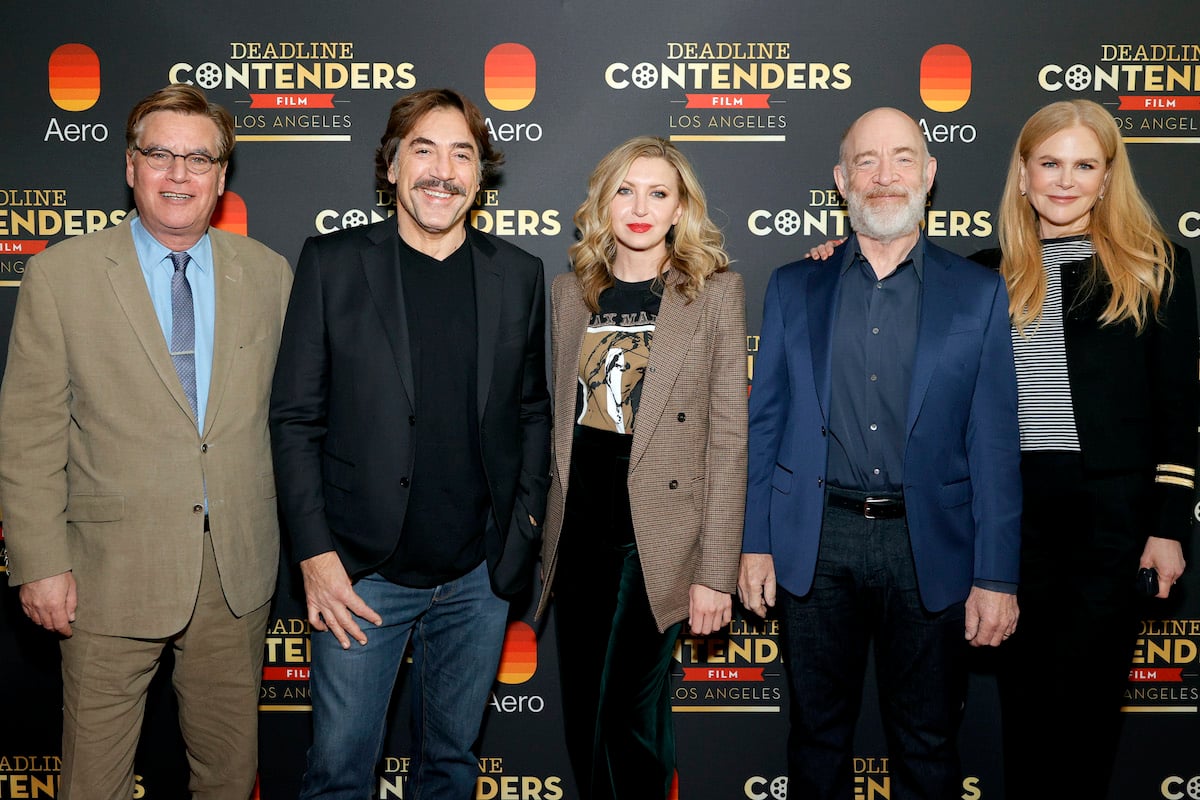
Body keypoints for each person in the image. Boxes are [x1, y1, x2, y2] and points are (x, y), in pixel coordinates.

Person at [0, 84, 292, 798]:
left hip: (235, 573)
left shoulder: (269, 274)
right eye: (160, 154)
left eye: (200, 158)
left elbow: (294, 422)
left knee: (227, 777)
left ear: (223, 176)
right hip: (105, 577)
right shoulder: (61, 275)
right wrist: (38, 563)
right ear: (131, 166)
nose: (179, 174)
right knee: (93, 780)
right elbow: (31, 431)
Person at [269, 88, 551, 800]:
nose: (442, 170)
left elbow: (532, 412)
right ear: (390, 166)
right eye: (423, 149)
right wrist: (316, 556)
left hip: (477, 583)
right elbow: (295, 418)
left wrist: (516, 540)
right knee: (337, 774)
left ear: (480, 176)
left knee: (450, 770)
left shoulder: (518, 274)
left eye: (462, 154)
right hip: (361, 577)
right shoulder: (333, 264)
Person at [738, 107, 1022, 800]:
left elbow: (994, 444)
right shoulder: (793, 285)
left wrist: (997, 576)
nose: (884, 175)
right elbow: (765, 422)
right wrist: (755, 543)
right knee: (815, 741)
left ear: (929, 173)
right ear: (842, 179)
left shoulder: (979, 293)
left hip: (930, 545)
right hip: (816, 539)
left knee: (928, 745)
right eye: (866, 160)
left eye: (902, 158)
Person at [972, 99, 1197, 799]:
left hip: (1112, 521)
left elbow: (1177, 408)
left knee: (1090, 710)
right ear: (1023, 173)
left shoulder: (1157, 265)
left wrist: (1166, 526)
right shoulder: (984, 274)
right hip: (1013, 520)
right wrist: (834, 254)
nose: (1065, 181)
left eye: (1084, 165)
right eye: (1050, 163)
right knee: (1024, 708)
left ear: (1106, 178)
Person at [535, 136, 747, 799]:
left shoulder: (713, 294)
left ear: (680, 207)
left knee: (623, 713)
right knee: (586, 719)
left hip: (657, 538)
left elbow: (729, 442)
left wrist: (715, 574)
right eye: (625, 190)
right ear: (604, 200)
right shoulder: (570, 293)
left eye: (658, 192)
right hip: (578, 532)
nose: (639, 206)